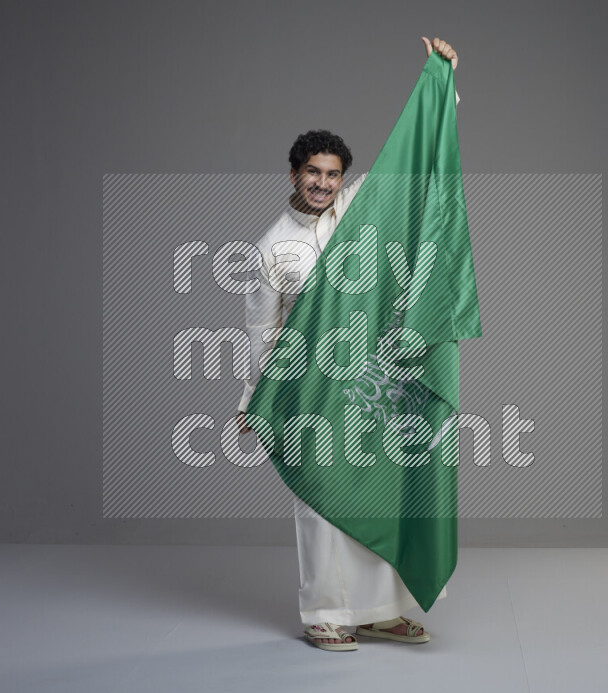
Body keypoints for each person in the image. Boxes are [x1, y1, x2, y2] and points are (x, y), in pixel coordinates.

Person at [235, 37, 460, 651]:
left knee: (376, 485)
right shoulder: (272, 245)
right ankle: (325, 616)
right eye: (314, 173)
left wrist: (442, 85)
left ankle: (382, 609)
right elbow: (260, 329)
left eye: (334, 175)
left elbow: (411, 166)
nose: (324, 185)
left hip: (366, 380)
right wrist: (253, 398)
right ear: (293, 174)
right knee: (319, 501)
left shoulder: (357, 212)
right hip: (307, 385)